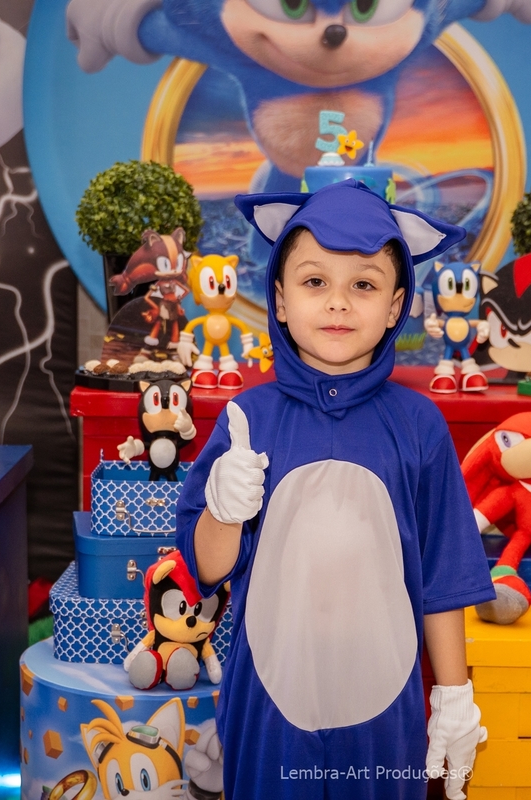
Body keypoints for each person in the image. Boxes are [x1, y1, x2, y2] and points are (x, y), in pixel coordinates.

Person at [175, 180, 497, 800]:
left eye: (364, 285)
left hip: (385, 709)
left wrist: (454, 695)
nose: (338, 304)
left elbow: (445, 574)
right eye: (315, 281)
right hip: (267, 705)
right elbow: (206, 570)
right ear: (280, 298)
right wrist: (223, 511)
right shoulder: (246, 420)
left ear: (396, 305)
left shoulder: (419, 424)